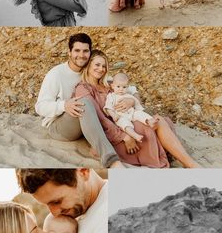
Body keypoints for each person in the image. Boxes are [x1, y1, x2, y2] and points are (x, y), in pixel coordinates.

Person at [75, 49, 200, 168]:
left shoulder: (108, 83)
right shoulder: (83, 89)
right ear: (88, 65)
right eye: (97, 65)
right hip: (114, 132)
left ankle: (189, 163)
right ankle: (185, 161)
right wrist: (124, 136)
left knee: (159, 121)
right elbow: (100, 119)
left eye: (104, 66)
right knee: (151, 127)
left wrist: (131, 101)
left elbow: (132, 90)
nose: (101, 69)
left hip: (126, 119)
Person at [35, 32, 123, 168]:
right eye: (77, 50)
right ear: (69, 52)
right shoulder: (56, 74)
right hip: (60, 126)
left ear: (90, 53)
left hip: (85, 122)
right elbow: (40, 107)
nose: (81, 55)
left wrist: (132, 95)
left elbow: (112, 83)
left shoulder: (90, 71)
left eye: (85, 51)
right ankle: (112, 160)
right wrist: (64, 105)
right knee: (85, 102)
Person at [104, 72, 155, 142]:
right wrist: (113, 115)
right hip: (120, 116)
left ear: (127, 87)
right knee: (125, 124)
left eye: (124, 87)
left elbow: (137, 103)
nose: (121, 89)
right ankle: (135, 135)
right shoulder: (111, 96)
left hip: (132, 113)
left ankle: (149, 120)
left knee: (139, 114)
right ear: (113, 86)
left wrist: (134, 103)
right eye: (118, 86)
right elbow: (108, 107)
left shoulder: (128, 95)